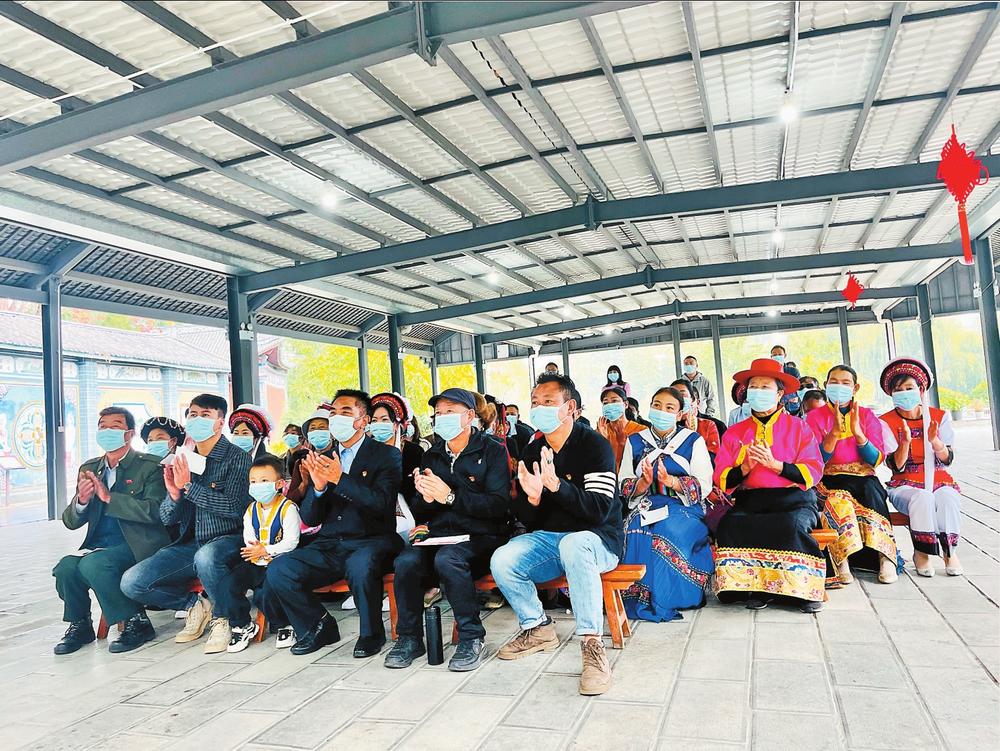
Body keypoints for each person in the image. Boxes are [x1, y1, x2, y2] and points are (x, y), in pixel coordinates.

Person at [491, 373, 621, 696]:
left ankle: (592, 644)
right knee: (503, 558)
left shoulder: (595, 446)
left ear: (570, 407)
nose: (539, 408)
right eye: (535, 402)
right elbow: (528, 520)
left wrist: (558, 487)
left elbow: (599, 511)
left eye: (548, 402)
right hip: (552, 540)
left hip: (597, 540)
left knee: (576, 544)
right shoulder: (533, 449)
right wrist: (533, 499)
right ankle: (537, 627)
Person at [260, 389, 402, 657]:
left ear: (363, 420)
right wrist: (319, 488)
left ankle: (371, 633)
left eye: (346, 412)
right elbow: (310, 518)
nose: (337, 418)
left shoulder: (386, 455)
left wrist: (340, 479)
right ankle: (319, 625)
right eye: (333, 413)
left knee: (360, 566)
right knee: (280, 569)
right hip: (329, 543)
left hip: (371, 540)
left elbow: (381, 503)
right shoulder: (324, 457)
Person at [385, 388, 512, 672]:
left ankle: (471, 637)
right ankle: (409, 638)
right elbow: (422, 510)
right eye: (438, 413)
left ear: (469, 416)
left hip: (482, 536)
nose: (442, 418)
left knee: (449, 559)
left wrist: (451, 497)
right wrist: (425, 497)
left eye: (450, 412)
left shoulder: (492, 450)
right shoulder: (432, 455)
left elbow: (499, 506)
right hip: (442, 534)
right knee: (406, 561)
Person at [120, 394, 253, 653]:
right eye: (193, 415)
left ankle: (225, 618)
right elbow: (168, 517)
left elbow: (235, 508)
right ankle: (194, 604)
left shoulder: (237, 457)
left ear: (220, 422)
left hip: (229, 539)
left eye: (205, 415)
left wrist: (190, 487)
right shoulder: (183, 459)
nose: (197, 419)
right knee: (132, 581)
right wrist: (174, 495)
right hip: (190, 543)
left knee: (206, 556)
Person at [52, 407, 169, 655]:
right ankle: (81, 624)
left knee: (95, 564)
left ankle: (137, 621)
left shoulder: (150, 466)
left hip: (139, 545)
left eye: (115, 426)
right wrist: (82, 501)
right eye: (102, 426)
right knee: (66, 567)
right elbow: (70, 522)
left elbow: (155, 511)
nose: (107, 431)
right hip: (100, 545)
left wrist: (109, 498)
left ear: (129, 434)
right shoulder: (90, 468)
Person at [712, 359, 826, 613]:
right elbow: (721, 477)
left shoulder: (799, 427)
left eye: (765, 387)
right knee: (732, 524)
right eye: (754, 387)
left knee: (792, 526)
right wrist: (744, 468)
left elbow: (814, 469)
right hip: (751, 501)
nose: (758, 392)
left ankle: (802, 590)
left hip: (794, 500)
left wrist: (777, 466)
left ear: (780, 394)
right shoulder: (734, 432)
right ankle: (754, 588)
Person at [618, 387, 714, 622]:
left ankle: (670, 597)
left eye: (669, 407)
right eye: (657, 405)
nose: (662, 411)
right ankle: (636, 596)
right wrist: (643, 483)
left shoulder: (692, 440)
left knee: (665, 529)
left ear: (680, 414)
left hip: (684, 507)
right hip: (647, 503)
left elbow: (704, 484)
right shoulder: (635, 441)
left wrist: (671, 481)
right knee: (635, 527)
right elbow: (624, 481)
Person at [806, 365, 897, 586]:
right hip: (829, 477)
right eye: (834, 382)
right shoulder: (814, 417)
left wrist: (858, 434)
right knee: (838, 500)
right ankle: (841, 560)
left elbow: (875, 458)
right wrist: (834, 434)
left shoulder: (866, 415)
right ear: (826, 385)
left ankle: (885, 557)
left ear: (855, 388)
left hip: (863, 475)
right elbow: (815, 459)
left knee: (873, 493)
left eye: (845, 383)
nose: (839, 387)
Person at [878, 358, 962, 577]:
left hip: (939, 480)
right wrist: (905, 442)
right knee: (922, 498)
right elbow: (895, 465)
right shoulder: (885, 421)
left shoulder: (939, 417)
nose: (904, 393)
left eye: (909, 388)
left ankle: (949, 552)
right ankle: (922, 552)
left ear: (921, 390)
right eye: (898, 390)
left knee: (947, 497)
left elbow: (947, 458)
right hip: (905, 485)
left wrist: (935, 442)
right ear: (891, 394)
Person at [226, 454, 301, 652]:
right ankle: (242, 625)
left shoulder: (288, 509)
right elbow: (249, 537)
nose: (257, 485)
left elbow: (291, 541)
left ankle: (285, 624)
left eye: (264, 480)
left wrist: (266, 550)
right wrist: (256, 551)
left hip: (279, 563)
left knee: (264, 594)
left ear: (279, 484)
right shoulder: (251, 510)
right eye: (253, 482)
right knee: (229, 582)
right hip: (256, 561)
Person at [286, 408, 332, 504]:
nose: (317, 431)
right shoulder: (303, 461)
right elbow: (290, 499)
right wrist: (304, 484)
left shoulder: (339, 458)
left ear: (332, 432)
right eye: (312, 428)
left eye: (322, 428)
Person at [596, 385, 645, 469]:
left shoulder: (641, 431)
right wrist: (604, 442)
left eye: (614, 401)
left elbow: (643, 463)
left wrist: (623, 444)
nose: (610, 405)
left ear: (625, 404)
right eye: (605, 403)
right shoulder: (599, 431)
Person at [670, 380, 721, 456]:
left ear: (692, 399)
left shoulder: (707, 425)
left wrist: (692, 437)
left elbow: (713, 458)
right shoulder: (666, 426)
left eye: (682, 394)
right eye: (673, 396)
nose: (678, 398)